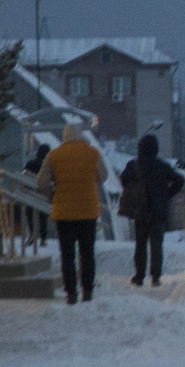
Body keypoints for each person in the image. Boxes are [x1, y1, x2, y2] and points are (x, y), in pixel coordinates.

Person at [36, 122, 109, 304]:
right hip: (88, 212)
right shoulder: (92, 153)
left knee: (67, 255)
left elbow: (40, 183)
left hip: (64, 213)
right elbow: (104, 176)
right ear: (80, 135)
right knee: (87, 253)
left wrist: (52, 195)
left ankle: (71, 293)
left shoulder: (54, 155)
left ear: (64, 136)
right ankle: (88, 290)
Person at [119, 133, 185, 286]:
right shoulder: (162, 166)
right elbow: (179, 180)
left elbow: (124, 181)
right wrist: (167, 194)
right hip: (158, 211)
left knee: (140, 245)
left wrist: (134, 192)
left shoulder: (133, 165)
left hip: (140, 210)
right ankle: (155, 277)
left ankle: (139, 276)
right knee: (156, 245)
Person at [23, 143, 52, 244]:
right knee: (43, 217)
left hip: (31, 193)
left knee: (30, 215)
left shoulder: (31, 163)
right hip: (43, 194)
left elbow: (24, 176)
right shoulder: (49, 166)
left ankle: (32, 235)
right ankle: (43, 239)